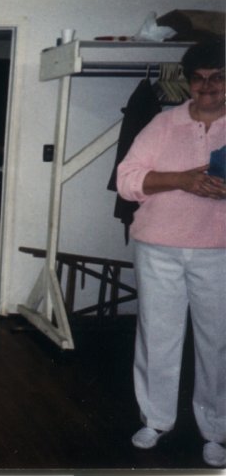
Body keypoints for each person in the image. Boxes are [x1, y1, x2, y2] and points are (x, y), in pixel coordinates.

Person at [116, 40, 226, 468]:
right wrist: (179, 179)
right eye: (198, 79)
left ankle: (215, 430)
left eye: (217, 77)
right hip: (158, 247)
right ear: (186, 82)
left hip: (218, 252)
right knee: (157, 337)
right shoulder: (163, 124)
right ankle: (155, 420)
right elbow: (127, 179)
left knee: (217, 343)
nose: (208, 87)